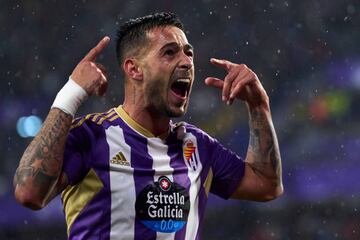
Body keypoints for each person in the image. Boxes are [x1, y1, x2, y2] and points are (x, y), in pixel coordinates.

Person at [14, 12, 283, 239]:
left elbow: (267, 186)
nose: (187, 62)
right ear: (134, 69)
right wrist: (70, 94)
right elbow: (29, 193)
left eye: (189, 53)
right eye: (169, 52)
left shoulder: (198, 146)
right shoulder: (93, 136)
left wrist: (259, 106)